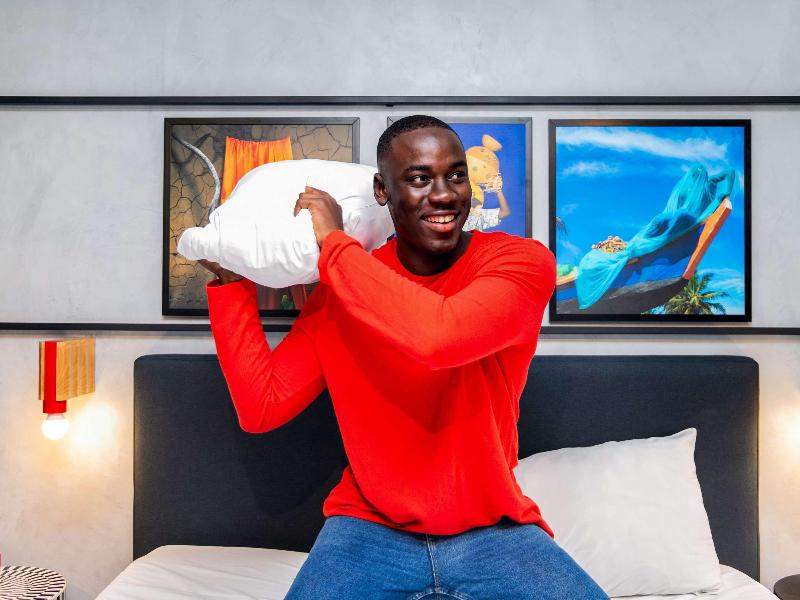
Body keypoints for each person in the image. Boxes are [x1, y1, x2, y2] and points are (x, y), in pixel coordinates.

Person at [199, 115, 608, 600]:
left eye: (456, 175)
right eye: (419, 178)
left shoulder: (519, 263)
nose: (444, 195)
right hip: (368, 528)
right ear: (382, 191)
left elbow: (440, 337)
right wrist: (231, 285)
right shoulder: (342, 290)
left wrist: (334, 246)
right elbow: (263, 406)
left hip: (492, 531)